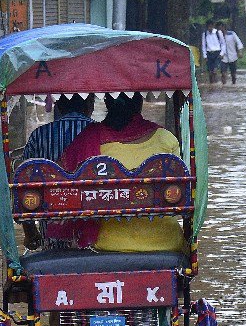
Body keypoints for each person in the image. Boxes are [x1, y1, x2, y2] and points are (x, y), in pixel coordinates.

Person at [61, 93, 184, 253]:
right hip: (167, 241)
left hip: (108, 243)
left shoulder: (88, 138)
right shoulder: (166, 138)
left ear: (106, 102)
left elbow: (61, 179)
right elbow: (182, 191)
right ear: (139, 104)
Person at [21, 94, 95, 249]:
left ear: (59, 106)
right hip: (95, 237)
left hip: (50, 237)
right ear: (90, 105)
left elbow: (23, 185)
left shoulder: (38, 136)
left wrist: (31, 234)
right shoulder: (100, 134)